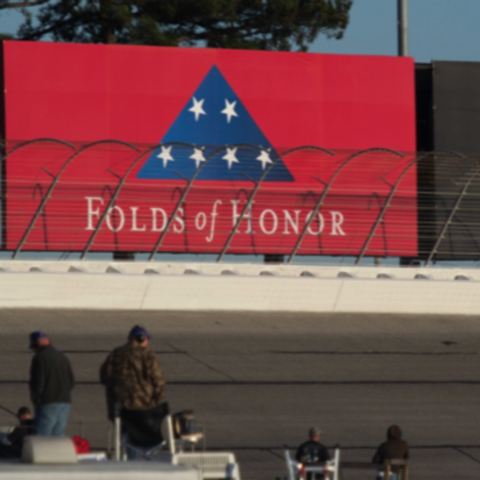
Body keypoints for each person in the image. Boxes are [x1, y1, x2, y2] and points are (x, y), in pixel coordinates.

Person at [99, 326, 166, 454]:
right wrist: (154, 400)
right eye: (147, 339)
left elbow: (104, 377)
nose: (148, 342)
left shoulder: (115, 354)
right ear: (141, 339)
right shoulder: (149, 356)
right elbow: (159, 382)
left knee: (128, 440)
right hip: (144, 407)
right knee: (147, 440)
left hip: (120, 407)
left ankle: (132, 465)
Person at [28, 331, 75, 436]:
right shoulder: (62, 357)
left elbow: (38, 381)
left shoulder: (40, 357)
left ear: (36, 344)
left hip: (48, 402)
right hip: (65, 403)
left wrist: (36, 399)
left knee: (42, 437)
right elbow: (72, 381)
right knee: (57, 437)